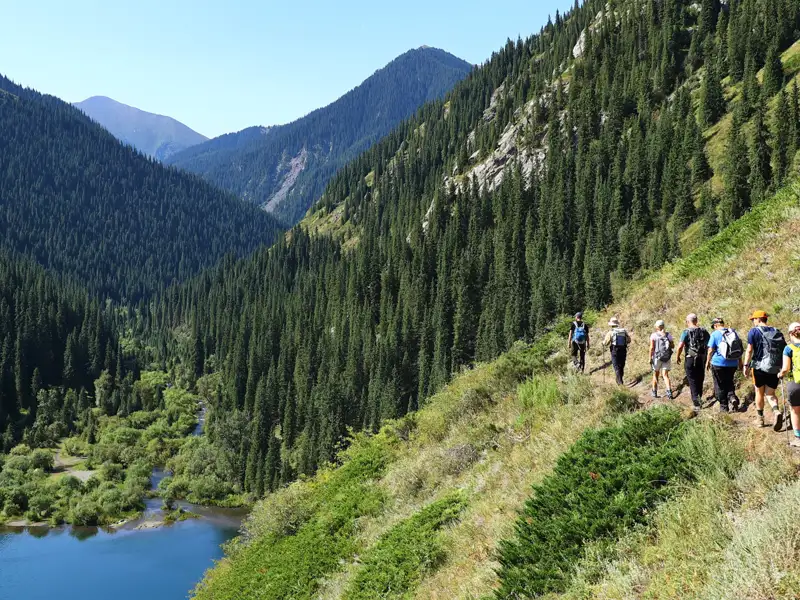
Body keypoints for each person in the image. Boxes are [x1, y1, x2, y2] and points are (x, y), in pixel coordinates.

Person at [743, 310, 786, 428]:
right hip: (774, 367)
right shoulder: (777, 331)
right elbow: (784, 350)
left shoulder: (754, 331)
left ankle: (760, 419)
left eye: (753, 319)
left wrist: (745, 366)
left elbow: (749, 350)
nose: (753, 322)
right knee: (770, 393)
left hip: (759, 367)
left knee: (759, 392)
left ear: (759, 319)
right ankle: (776, 410)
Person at [705, 317, 743, 413]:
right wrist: (740, 362)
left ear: (715, 325)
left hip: (718, 363)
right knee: (729, 381)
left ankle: (724, 407)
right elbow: (738, 349)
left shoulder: (715, 334)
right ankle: (732, 397)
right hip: (733, 363)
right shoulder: (732, 332)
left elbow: (710, 350)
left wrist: (707, 362)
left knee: (720, 385)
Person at [676, 313, 710, 413]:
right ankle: (699, 398)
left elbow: (680, 346)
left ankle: (696, 403)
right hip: (702, 358)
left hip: (690, 358)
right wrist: (708, 358)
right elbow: (709, 345)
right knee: (700, 378)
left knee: (692, 380)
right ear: (696, 320)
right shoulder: (704, 331)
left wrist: (677, 356)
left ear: (688, 322)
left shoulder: (686, 332)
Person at [778, 323, 800, 446]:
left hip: (795, 383)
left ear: (791, 334)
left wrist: (781, 374)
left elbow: (786, 368)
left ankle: (798, 438)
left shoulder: (788, 348)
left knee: (795, 410)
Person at [649, 320, 674, 399]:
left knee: (655, 374)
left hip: (657, 357)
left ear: (656, 327)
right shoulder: (668, 335)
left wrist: (650, 358)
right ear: (663, 326)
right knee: (665, 375)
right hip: (666, 357)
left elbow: (652, 348)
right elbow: (672, 346)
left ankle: (654, 392)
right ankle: (669, 392)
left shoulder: (653, 335)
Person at [603, 317, 631, 385]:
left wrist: (603, 343)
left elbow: (606, 343)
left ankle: (620, 382)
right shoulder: (623, 331)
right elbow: (629, 340)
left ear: (611, 325)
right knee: (621, 365)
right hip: (623, 350)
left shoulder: (610, 332)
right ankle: (620, 379)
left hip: (614, 350)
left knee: (616, 366)